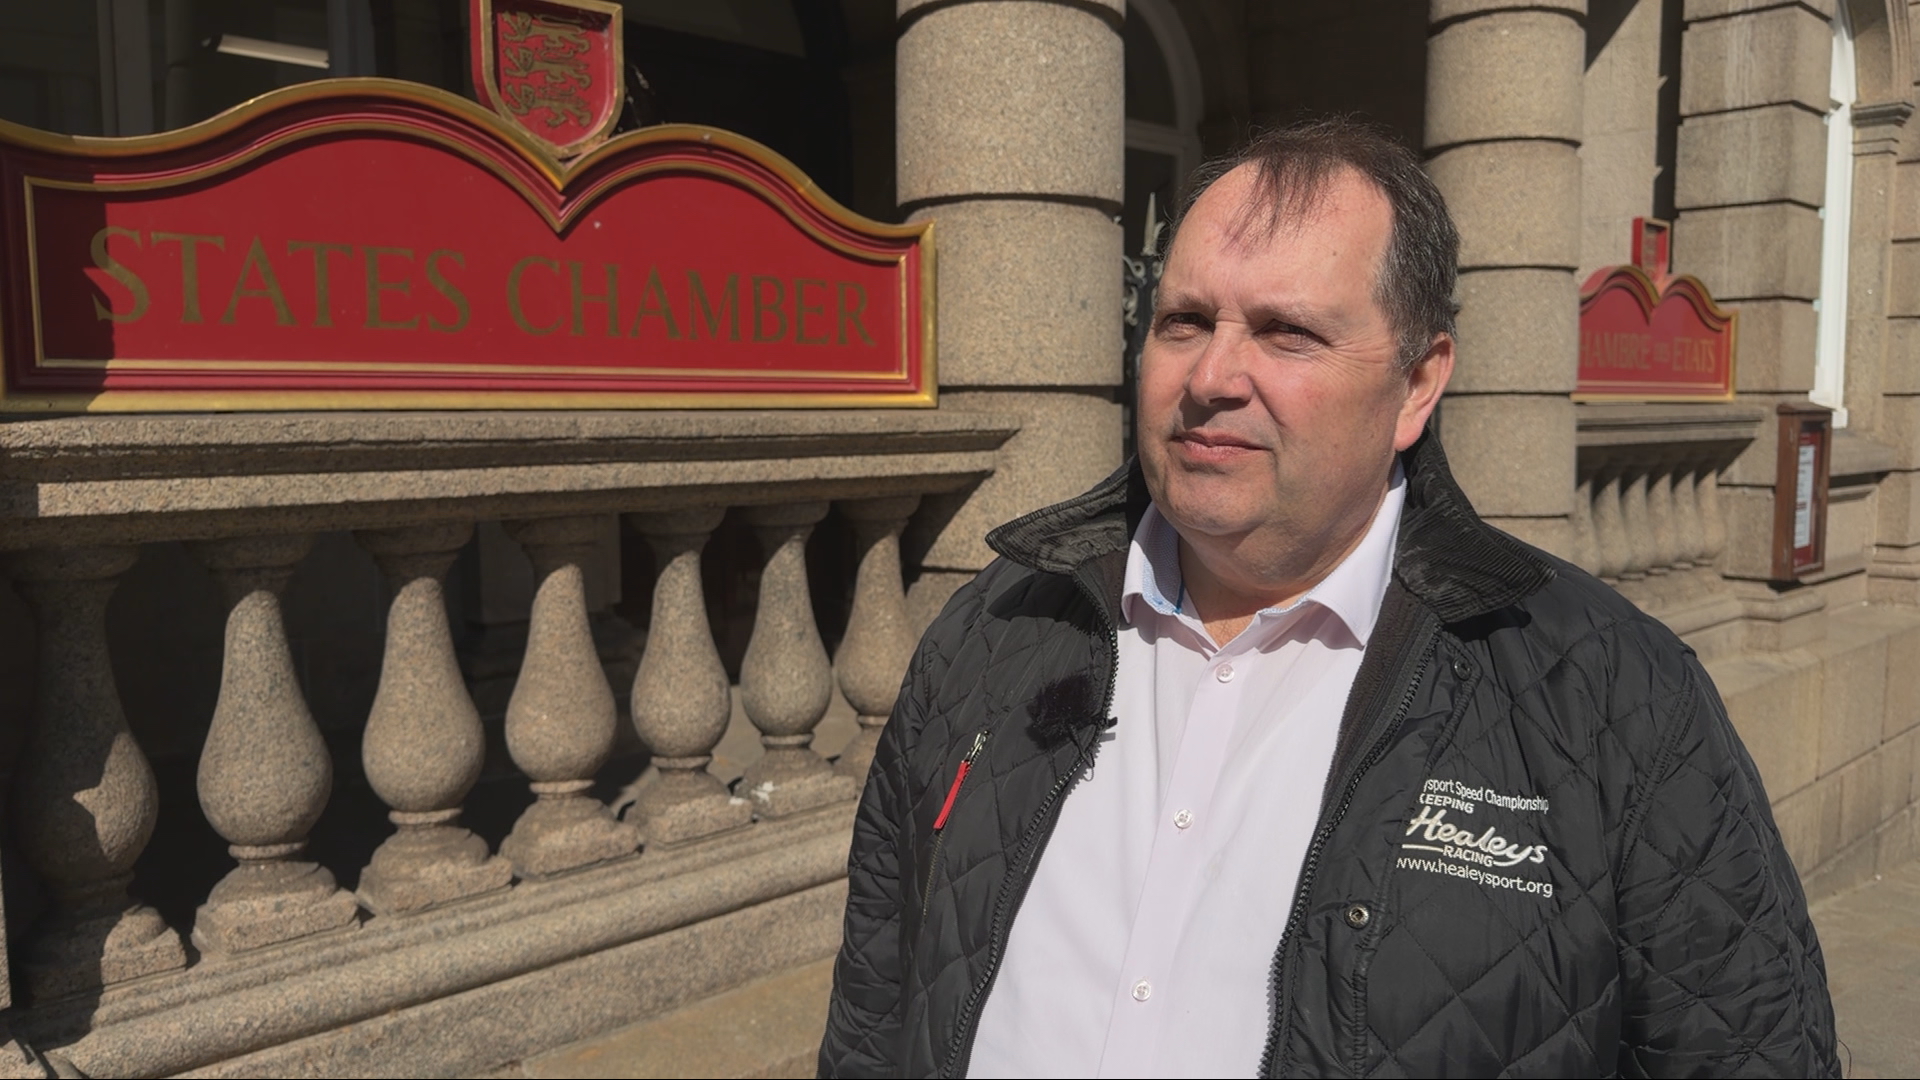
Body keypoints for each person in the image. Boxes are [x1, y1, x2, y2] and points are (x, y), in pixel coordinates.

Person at [817, 118, 1838, 1079]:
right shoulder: (999, 627)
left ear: (1418, 383)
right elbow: (874, 1004)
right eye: (1183, 321)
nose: (1212, 375)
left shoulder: (1615, 698)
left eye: (1287, 333)